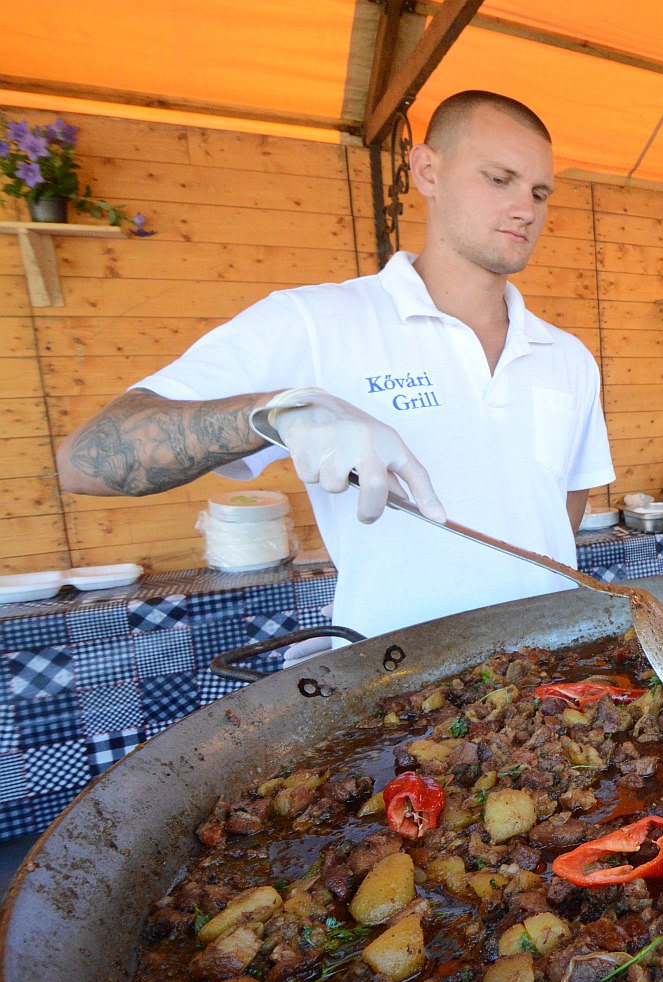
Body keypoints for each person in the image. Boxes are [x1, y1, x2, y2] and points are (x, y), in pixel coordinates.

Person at [55, 91, 614, 641]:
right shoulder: (314, 321)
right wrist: (275, 415)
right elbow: (83, 461)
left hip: (555, 664)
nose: (526, 210)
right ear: (427, 171)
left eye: (540, 193)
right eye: (499, 179)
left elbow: (562, 507)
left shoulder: (566, 356)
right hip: (396, 675)